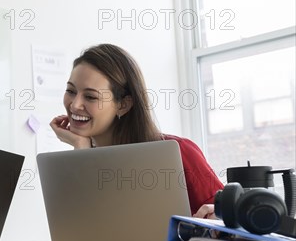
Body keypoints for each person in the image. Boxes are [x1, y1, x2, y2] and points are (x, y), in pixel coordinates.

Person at [50, 44, 222, 218]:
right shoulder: (77, 163)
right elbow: (80, 230)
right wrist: (81, 149)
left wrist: (214, 222)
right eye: (71, 91)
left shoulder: (179, 152)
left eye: (90, 97)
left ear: (123, 105)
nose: (74, 104)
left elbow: (229, 220)